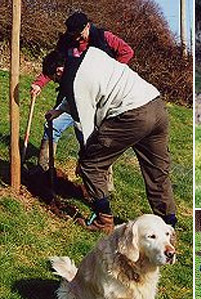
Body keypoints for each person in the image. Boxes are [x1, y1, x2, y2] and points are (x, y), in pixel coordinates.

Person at [42, 47, 176, 233]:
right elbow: (85, 93)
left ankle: (103, 220)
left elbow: (87, 125)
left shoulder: (77, 81)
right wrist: (60, 110)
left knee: (91, 163)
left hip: (133, 115)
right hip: (156, 106)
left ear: (59, 70)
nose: (58, 82)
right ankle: (168, 225)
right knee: (157, 170)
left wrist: (86, 156)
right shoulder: (92, 58)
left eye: (55, 79)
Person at [31, 12, 134, 192]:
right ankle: (43, 171)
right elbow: (55, 63)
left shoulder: (104, 38)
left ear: (88, 26)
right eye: (74, 35)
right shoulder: (66, 42)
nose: (77, 38)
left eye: (80, 34)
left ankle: (104, 184)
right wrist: (40, 83)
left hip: (94, 99)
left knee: (91, 140)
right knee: (52, 125)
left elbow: (127, 52)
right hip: (68, 96)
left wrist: (110, 74)